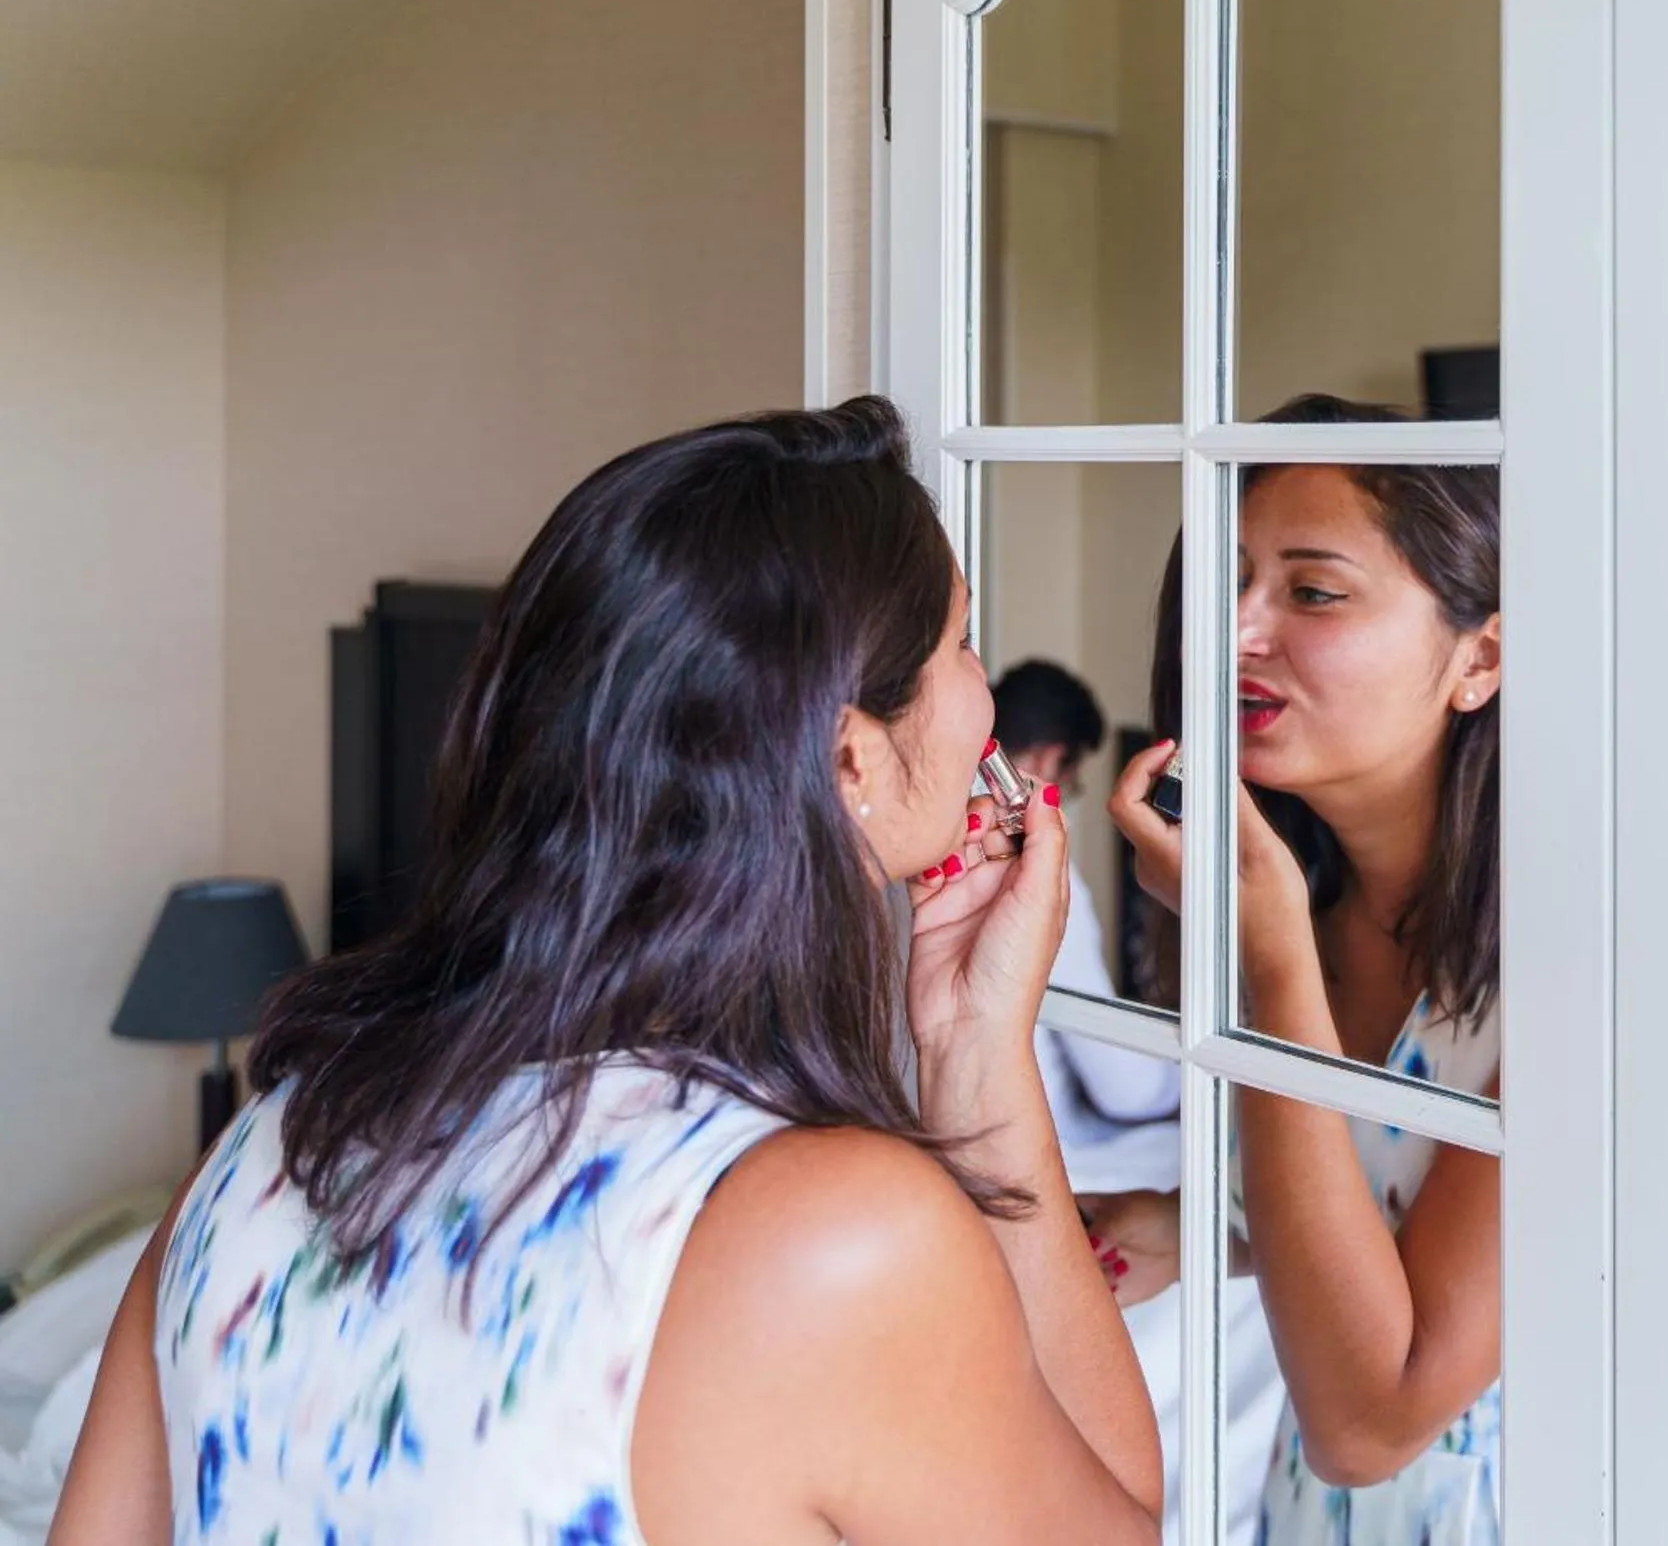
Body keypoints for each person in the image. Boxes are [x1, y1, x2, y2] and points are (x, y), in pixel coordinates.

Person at [51, 402, 1161, 1545]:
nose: (985, 696)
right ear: (848, 755)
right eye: (961, 642)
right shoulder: (838, 1238)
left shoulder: (263, 1154)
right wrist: (982, 1072)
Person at [1103, 395, 1505, 1544]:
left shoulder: (1578, 969)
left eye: (1312, 591)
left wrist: (1272, 956)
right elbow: (1363, 1210)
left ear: (1479, 657)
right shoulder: (1294, 901)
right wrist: (1187, 1228)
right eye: (1224, 584)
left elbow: (1371, 1422)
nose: (1235, 633)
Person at [992, 660, 1181, 1135]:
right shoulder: (1037, 862)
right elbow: (1125, 1091)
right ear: (1047, 760)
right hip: (1049, 1141)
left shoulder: (937, 833)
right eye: (1071, 782)